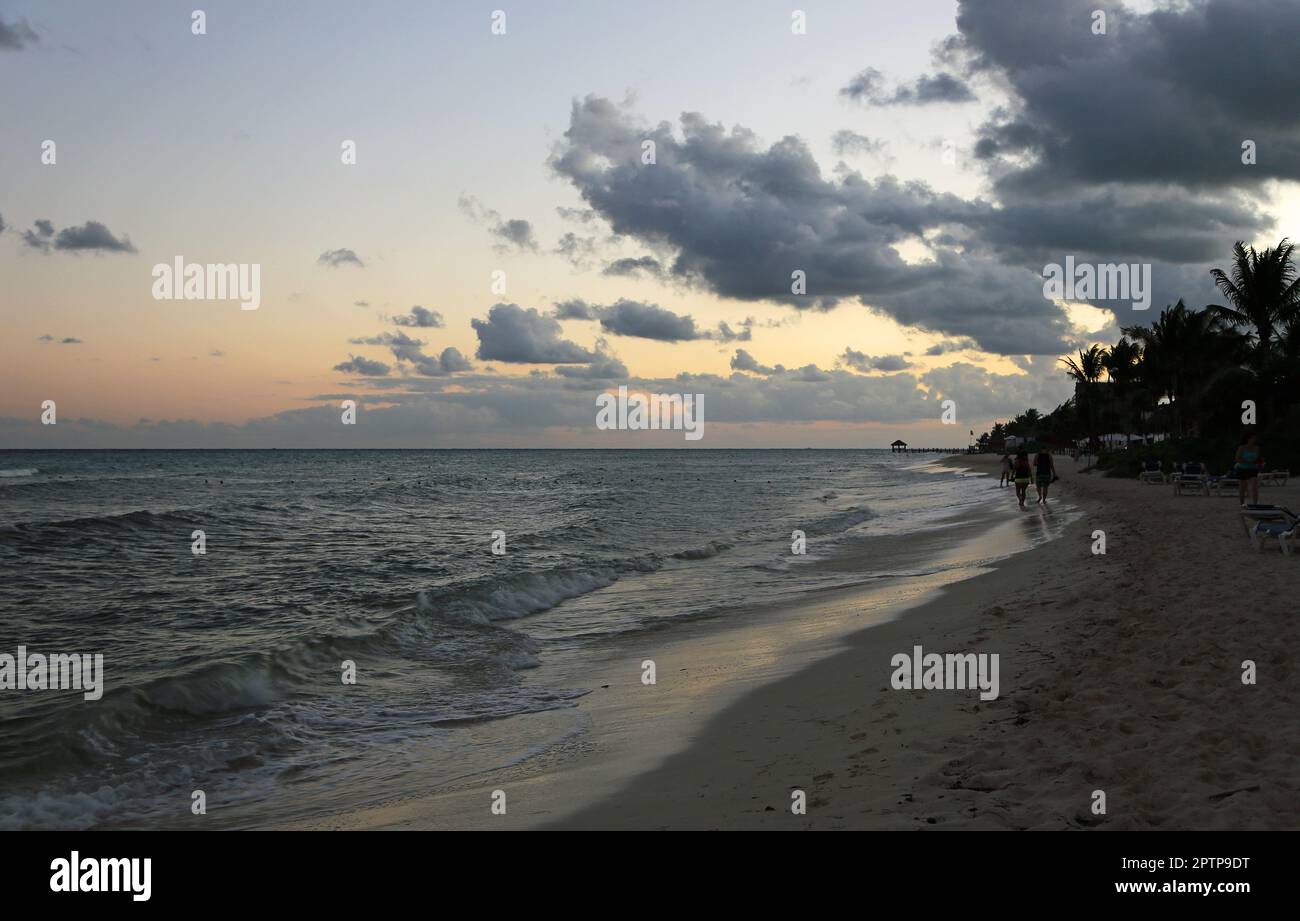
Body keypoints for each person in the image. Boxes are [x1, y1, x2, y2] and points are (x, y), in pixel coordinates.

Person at [1235, 431, 1262, 505]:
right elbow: (1237, 459)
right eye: (1253, 438)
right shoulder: (1242, 447)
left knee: (1254, 487)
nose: (1254, 440)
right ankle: (1242, 504)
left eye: (1255, 438)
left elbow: (1258, 459)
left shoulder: (1257, 448)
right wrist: (1247, 462)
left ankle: (1255, 504)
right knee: (1242, 488)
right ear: (1248, 439)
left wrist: (1259, 463)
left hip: (1253, 469)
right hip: (1242, 469)